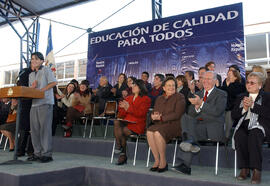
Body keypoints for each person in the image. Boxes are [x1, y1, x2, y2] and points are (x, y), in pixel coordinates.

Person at [172, 71, 227, 175]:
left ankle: (187, 145)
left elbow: (217, 112)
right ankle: (188, 141)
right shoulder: (198, 94)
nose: (205, 81)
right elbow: (191, 113)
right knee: (185, 117)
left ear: (215, 81)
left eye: (208, 79)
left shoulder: (222, 94)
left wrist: (201, 104)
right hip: (198, 127)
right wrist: (197, 108)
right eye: (204, 78)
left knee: (189, 133)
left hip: (212, 128)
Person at [232, 72, 270, 184]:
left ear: (260, 85)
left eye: (252, 83)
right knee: (239, 134)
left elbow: (268, 113)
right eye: (247, 82)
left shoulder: (267, 97)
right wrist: (243, 108)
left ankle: (256, 170)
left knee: (254, 133)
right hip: (244, 125)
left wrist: (253, 105)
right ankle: (245, 168)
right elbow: (233, 115)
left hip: (260, 125)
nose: (249, 85)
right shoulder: (240, 97)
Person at [147, 77, 186, 173]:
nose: (171, 87)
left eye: (173, 85)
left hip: (175, 124)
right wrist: (154, 116)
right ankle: (157, 160)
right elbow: (156, 111)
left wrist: (161, 118)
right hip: (161, 123)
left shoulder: (180, 97)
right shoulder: (159, 98)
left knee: (157, 133)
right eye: (169, 85)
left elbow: (177, 114)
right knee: (149, 131)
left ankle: (163, 161)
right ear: (164, 88)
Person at [27, 52, 57, 163]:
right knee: (34, 130)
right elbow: (32, 90)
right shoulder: (31, 75)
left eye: (35, 59)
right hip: (34, 104)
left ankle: (47, 154)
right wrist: (32, 88)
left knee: (45, 129)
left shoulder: (46, 70)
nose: (33, 61)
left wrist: (41, 90)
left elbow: (54, 83)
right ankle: (37, 153)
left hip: (45, 103)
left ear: (41, 60)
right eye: (32, 59)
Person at [113, 79, 151, 165]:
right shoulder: (128, 97)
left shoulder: (146, 99)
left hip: (138, 123)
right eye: (132, 85)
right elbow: (121, 114)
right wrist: (122, 108)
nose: (133, 87)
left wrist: (128, 108)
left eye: (135, 85)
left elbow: (141, 114)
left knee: (123, 130)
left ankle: (122, 153)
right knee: (116, 122)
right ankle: (120, 147)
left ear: (141, 87)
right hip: (127, 121)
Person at [221, 68, 246, 139]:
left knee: (229, 116)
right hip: (225, 107)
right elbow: (222, 92)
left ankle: (226, 137)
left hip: (234, 108)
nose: (228, 77)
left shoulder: (240, 85)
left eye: (230, 75)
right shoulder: (226, 83)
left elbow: (233, 94)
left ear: (235, 77)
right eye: (227, 75)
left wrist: (228, 85)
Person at [16, 66, 34, 157]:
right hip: (24, 104)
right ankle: (21, 149)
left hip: (33, 103)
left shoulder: (36, 74)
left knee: (32, 128)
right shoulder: (24, 72)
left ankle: (30, 150)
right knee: (23, 128)